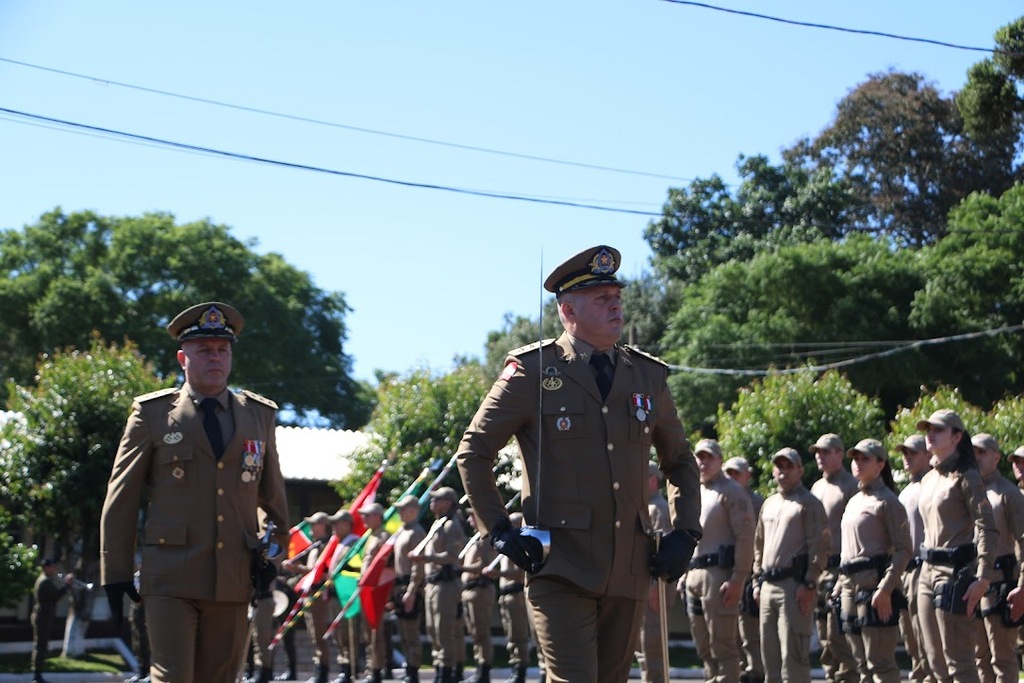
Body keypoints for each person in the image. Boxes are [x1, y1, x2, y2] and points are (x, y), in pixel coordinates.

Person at [455, 244, 701, 683]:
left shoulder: (647, 376)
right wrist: (498, 531)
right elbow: (473, 451)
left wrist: (686, 530)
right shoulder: (533, 370)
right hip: (560, 566)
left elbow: (679, 460)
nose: (615, 304)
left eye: (616, 296)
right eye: (601, 298)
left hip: (628, 567)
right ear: (568, 309)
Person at [100, 301, 289, 683]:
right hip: (170, 575)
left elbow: (273, 499)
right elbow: (121, 496)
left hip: (234, 576)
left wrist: (274, 554)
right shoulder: (152, 413)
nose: (215, 359)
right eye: (204, 351)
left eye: (223, 350)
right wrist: (115, 571)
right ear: (183, 358)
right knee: (172, 677)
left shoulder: (258, 415)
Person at [915, 409, 997, 683]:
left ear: (957, 436)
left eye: (938, 429)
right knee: (933, 662)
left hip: (953, 573)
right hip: (926, 572)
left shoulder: (967, 476)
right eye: (928, 429)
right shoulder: (928, 478)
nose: (931, 434)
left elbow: (987, 527)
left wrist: (984, 577)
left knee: (959, 664)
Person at [836, 439, 912, 683]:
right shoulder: (854, 501)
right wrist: (840, 583)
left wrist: (886, 588)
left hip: (875, 587)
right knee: (860, 664)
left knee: (880, 663)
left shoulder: (888, 501)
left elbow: (903, 549)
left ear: (880, 465)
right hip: (849, 585)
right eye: (855, 458)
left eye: (864, 458)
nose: (857, 463)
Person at [683, 439, 755, 683]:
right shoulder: (695, 491)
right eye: (699, 457)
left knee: (723, 646)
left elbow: (746, 538)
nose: (703, 463)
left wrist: (738, 579)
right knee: (703, 646)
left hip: (719, 575)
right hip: (694, 574)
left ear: (720, 461)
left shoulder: (733, 492)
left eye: (709, 458)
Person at [753, 447, 826, 683]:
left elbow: (820, 547)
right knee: (770, 662)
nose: (783, 471)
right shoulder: (769, 503)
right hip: (767, 587)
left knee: (793, 660)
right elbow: (758, 545)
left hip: (794, 587)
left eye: (789, 466)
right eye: (779, 466)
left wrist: (809, 582)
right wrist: (756, 581)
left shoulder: (809, 503)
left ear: (800, 471)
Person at [971, 434, 1024, 683]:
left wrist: (1022, 586)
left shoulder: (1009, 493)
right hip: (974, 583)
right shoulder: (969, 491)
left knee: (1002, 658)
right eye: (973, 452)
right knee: (979, 656)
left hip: (1002, 581)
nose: (976, 457)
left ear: (996, 457)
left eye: (982, 452)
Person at [808, 433, 859, 683]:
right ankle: (831, 677)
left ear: (840, 454)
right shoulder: (817, 486)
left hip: (841, 567)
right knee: (824, 634)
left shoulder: (851, 486)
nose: (820, 456)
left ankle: (846, 677)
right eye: (818, 452)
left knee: (839, 632)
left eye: (826, 451)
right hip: (819, 568)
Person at [409, 486, 466, 683]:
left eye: (437, 499)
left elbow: (452, 556)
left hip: (446, 584)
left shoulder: (452, 526)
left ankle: (447, 673)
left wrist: (427, 557)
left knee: (445, 631)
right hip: (432, 585)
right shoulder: (438, 524)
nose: (432, 502)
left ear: (449, 502)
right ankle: (439, 669)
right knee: (433, 631)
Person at [895, 434, 935, 683]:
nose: (907, 457)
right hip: (905, 571)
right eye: (904, 453)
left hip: (925, 568)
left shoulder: (933, 485)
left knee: (927, 636)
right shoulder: (906, 490)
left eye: (913, 453)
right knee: (909, 636)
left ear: (928, 455)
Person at [724, 456, 764, 683]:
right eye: (728, 473)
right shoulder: (724, 498)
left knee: (750, 629)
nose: (732, 478)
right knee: (732, 631)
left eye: (737, 474)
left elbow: (758, 540)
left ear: (747, 476)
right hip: (728, 572)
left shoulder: (756, 502)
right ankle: (740, 670)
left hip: (749, 574)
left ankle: (755, 670)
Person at [282, 511, 335, 683]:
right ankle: (319, 668)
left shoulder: (326, 546)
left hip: (319, 594)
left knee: (319, 633)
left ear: (323, 526)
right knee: (313, 633)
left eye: (314, 524)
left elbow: (317, 573)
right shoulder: (316, 545)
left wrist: (297, 568)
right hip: (311, 594)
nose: (311, 527)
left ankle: (323, 671)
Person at [487, 512, 532, 683]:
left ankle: (520, 671)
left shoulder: (522, 544)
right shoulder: (508, 545)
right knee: (511, 635)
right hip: (505, 594)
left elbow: (519, 572)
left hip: (516, 592)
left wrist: (497, 573)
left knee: (519, 634)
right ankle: (515, 667)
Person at [641, 461, 673, 683]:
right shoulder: (647, 507)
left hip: (655, 586)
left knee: (652, 642)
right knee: (644, 642)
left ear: (652, 480)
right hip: (645, 584)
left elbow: (662, 552)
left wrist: (655, 585)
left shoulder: (658, 508)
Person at [390, 495, 427, 683]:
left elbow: (418, 565)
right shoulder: (402, 532)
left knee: (411, 631)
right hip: (400, 585)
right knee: (403, 630)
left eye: (403, 509)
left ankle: (413, 671)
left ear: (413, 510)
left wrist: (412, 590)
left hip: (410, 585)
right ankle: (408, 667)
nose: (399, 513)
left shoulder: (416, 532)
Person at [325, 509, 362, 683]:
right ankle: (344, 666)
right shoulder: (340, 543)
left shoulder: (354, 544)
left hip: (346, 594)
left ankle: (351, 669)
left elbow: (353, 572)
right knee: (339, 634)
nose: (333, 526)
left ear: (347, 524)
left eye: (337, 523)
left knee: (348, 634)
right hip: (336, 594)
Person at [461, 509, 497, 683]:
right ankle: (479, 667)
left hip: (480, 590)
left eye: (472, 516)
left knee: (482, 632)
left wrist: (461, 568)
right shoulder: (475, 539)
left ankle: (484, 671)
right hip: (470, 590)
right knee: (474, 632)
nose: (469, 520)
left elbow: (486, 565)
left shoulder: (486, 540)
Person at [359, 502, 392, 683]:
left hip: (377, 589)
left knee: (375, 631)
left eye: (367, 515)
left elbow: (385, 566)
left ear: (378, 516)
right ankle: (372, 667)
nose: (364, 518)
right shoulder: (370, 536)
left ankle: (377, 669)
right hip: (368, 589)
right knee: (368, 631)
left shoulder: (383, 536)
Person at [31, 558, 72, 683]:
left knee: (41, 645)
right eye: (52, 567)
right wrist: (67, 585)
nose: (54, 569)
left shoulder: (45, 579)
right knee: (41, 646)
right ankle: (37, 676)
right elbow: (55, 596)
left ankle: (38, 674)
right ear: (46, 568)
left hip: (44, 615)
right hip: (43, 617)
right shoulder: (45, 582)